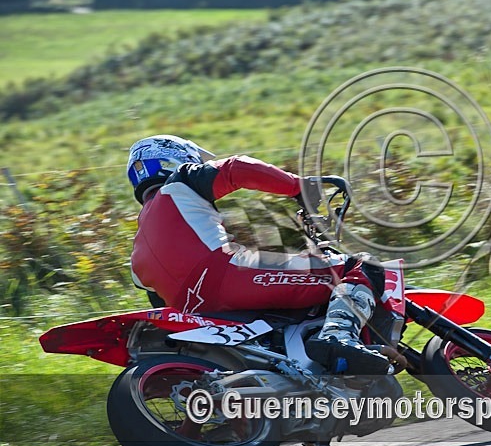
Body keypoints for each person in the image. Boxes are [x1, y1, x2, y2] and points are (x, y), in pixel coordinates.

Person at [126, 134, 390, 375]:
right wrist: (299, 187)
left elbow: (158, 302)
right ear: (174, 159)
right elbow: (235, 169)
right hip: (228, 276)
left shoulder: (138, 246)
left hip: (197, 309)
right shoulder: (181, 183)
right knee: (357, 267)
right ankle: (338, 337)